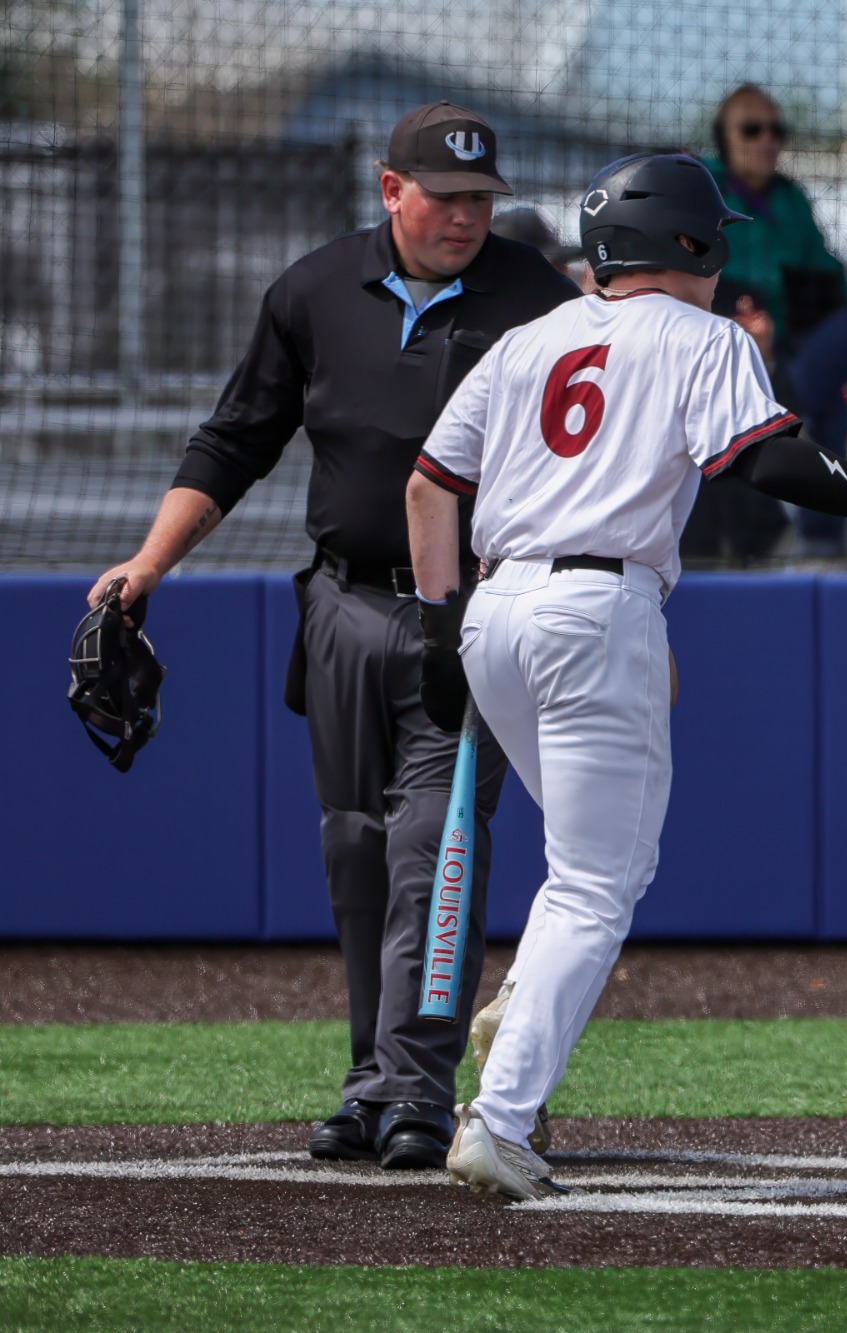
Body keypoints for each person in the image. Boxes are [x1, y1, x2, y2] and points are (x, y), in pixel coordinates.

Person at [405, 153, 847, 1201]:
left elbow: (429, 487)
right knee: (602, 880)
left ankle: (518, 1007)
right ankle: (500, 1117)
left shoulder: (525, 341)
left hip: (495, 610)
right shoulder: (701, 337)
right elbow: (772, 463)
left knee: (581, 866)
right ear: (687, 244)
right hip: (594, 606)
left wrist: (435, 634)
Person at [87, 103, 578, 1170]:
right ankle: (371, 1078)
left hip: (467, 614)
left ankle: (418, 1086)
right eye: (444, 197)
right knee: (355, 846)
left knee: (432, 848)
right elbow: (235, 439)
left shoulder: (537, 301)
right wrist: (148, 563)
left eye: (481, 200)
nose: (465, 217)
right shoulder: (312, 292)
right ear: (388, 188)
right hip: (343, 606)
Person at [705, 84, 847, 555]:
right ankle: (821, 541)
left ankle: (786, 401)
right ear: (725, 136)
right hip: (728, 339)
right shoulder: (702, 190)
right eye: (752, 129)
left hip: (793, 339)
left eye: (776, 129)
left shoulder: (791, 199)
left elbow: (831, 275)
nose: (767, 140)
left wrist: (803, 289)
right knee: (833, 407)